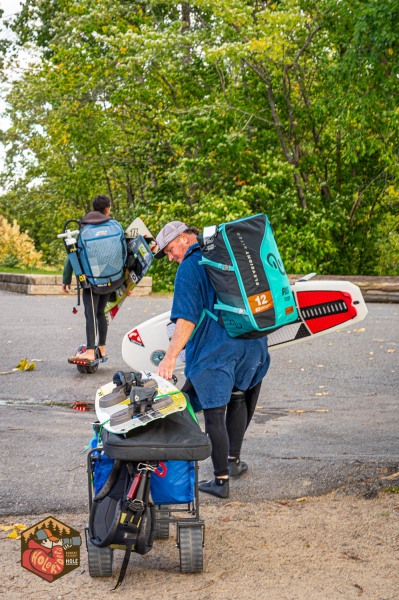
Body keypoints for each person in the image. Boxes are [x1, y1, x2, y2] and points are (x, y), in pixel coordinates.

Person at [155, 220, 271, 499]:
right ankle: (233, 462)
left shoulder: (189, 267)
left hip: (217, 347)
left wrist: (169, 358)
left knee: (214, 411)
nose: (171, 258)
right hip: (251, 341)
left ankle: (220, 481)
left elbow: (186, 319)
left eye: (171, 250)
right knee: (239, 395)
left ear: (185, 238)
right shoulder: (230, 253)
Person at [62, 195, 126, 364]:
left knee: (90, 313)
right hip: (112, 279)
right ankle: (102, 349)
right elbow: (124, 252)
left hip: (91, 282)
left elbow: (72, 256)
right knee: (101, 312)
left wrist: (66, 278)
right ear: (107, 209)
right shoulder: (115, 226)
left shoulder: (85, 229)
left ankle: (90, 351)